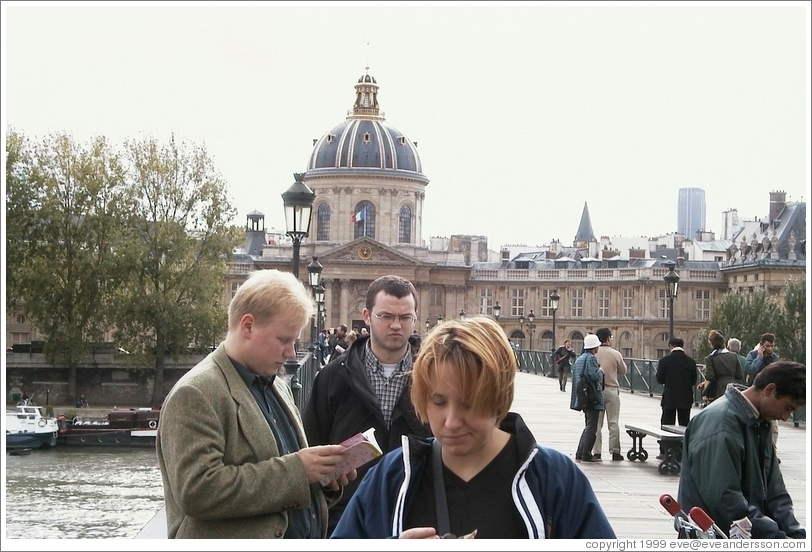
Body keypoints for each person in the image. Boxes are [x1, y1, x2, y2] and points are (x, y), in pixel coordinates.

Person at [331, 316, 616, 539]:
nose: (451, 421)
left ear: (499, 397)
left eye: (469, 404)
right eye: (439, 402)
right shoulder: (391, 476)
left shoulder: (555, 479)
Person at [156, 269, 356, 539]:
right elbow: (197, 491)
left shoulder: (278, 387)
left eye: (294, 341)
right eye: (284, 340)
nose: (292, 353)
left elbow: (287, 488)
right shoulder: (196, 393)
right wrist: (298, 470)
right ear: (248, 326)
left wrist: (323, 480)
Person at [303, 274, 432, 535]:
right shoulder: (333, 377)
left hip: (416, 517)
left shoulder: (434, 377)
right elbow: (311, 445)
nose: (396, 325)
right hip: (347, 516)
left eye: (405, 317)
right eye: (386, 316)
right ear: (366, 316)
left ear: (415, 319)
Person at [678, 360, 806, 539]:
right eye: (787, 408)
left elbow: (776, 490)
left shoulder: (760, 422)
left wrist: (795, 534)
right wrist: (778, 538)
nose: (785, 417)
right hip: (716, 537)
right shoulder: (721, 424)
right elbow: (726, 501)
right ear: (769, 390)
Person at [655, 336, 699, 458]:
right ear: (682, 346)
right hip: (685, 396)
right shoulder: (690, 361)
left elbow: (660, 379)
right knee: (684, 423)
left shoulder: (664, 361)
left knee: (667, 422)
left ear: (670, 346)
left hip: (669, 395)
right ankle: (682, 451)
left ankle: (665, 451)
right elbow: (694, 380)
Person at [592, 328, 627, 461]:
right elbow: (623, 371)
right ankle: (615, 452)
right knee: (613, 422)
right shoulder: (615, 353)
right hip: (611, 390)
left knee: (597, 424)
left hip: (596, 390)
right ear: (607, 338)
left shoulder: (593, 353)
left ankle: (597, 452)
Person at [570, 334, 604, 463]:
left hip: (583, 397)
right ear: (594, 347)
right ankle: (586, 453)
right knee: (592, 427)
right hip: (592, 397)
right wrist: (601, 370)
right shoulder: (590, 358)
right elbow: (595, 376)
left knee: (587, 425)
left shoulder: (580, 359)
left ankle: (580, 452)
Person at [698, 330, 744, 403]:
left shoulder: (710, 358)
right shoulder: (733, 356)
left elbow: (709, 377)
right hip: (733, 388)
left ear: (711, 343)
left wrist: (705, 392)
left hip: (718, 390)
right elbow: (740, 375)